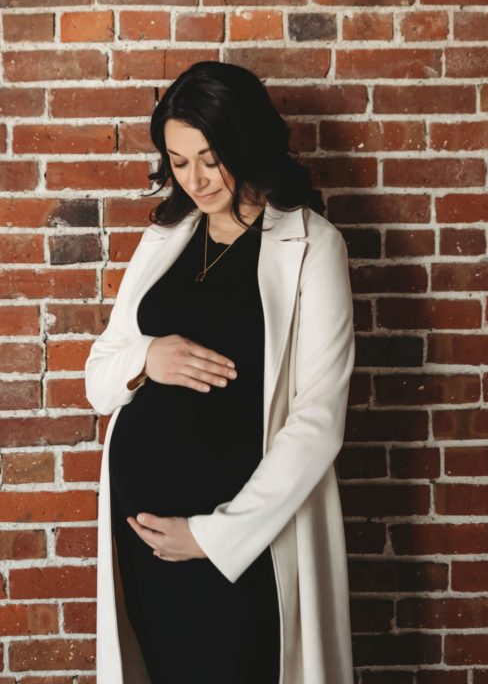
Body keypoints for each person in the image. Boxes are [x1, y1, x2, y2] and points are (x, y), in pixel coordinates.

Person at [85, 61, 356, 684]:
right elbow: (99, 380)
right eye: (179, 162)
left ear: (247, 142)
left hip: (243, 542)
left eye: (210, 157)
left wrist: (212, 536)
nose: (196, 179)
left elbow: (318, 420)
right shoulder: (164, 239)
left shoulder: (313, 247)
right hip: (146, 540)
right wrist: (147, 358)